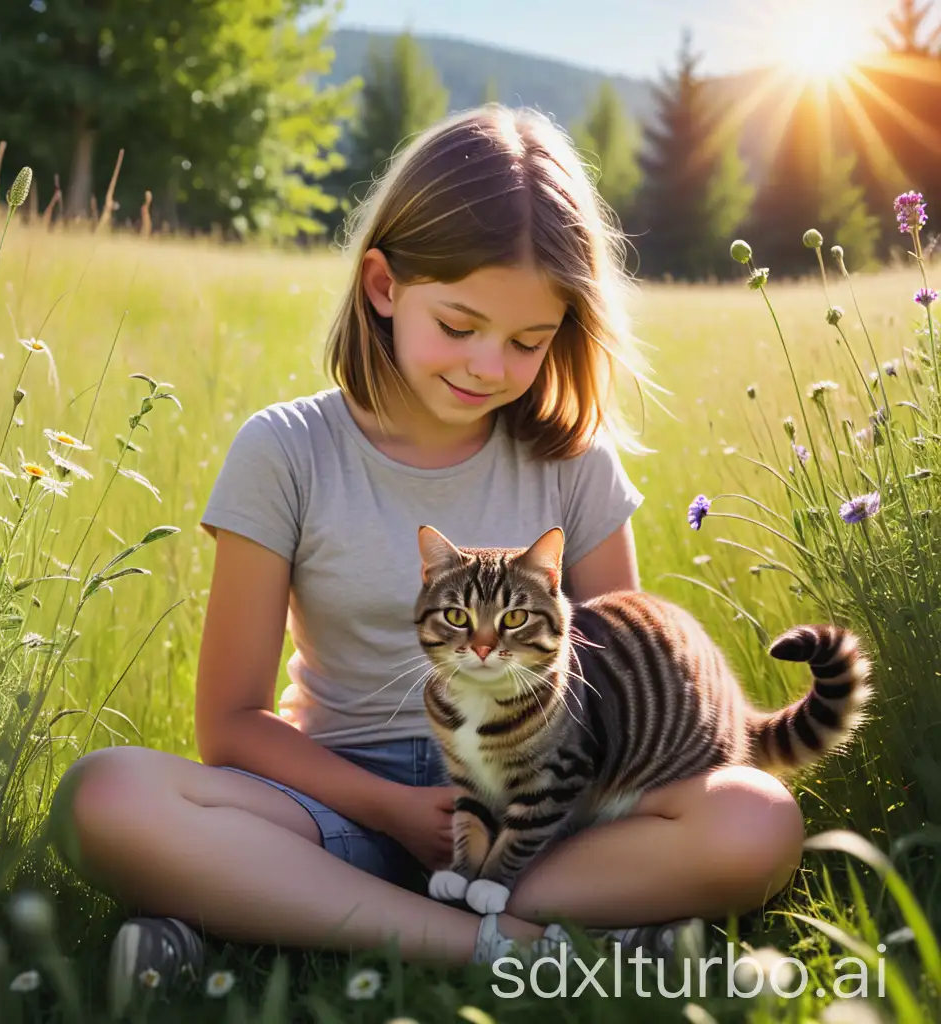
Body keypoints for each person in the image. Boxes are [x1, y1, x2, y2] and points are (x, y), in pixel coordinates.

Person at [47, 104, 805, 1015]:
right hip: (334, 799)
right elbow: (234, 724)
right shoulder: (286, 449)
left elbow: (620, 687)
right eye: (460, 324)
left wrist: (538, 819)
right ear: (382, 286)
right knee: (106, 796)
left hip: (535, 812)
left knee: (758, 822)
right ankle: (504, 941)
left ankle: (258, 915)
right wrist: (390, 810)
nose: (489, 364)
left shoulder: (574, 460)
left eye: (529, 342)